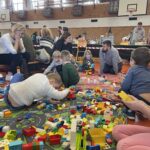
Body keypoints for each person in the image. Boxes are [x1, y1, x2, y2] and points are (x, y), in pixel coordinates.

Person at [4, 72, 70, 110]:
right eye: (55, 87)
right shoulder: (48, 87)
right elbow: (60, 96)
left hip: (8, 95)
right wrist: (68, 89)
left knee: (19, 75)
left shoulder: (40, 75)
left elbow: (39, 91)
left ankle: (6, 87)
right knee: (33, 100)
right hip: (16, 107)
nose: (54, 89)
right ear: (52, 81)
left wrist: (48, 100)